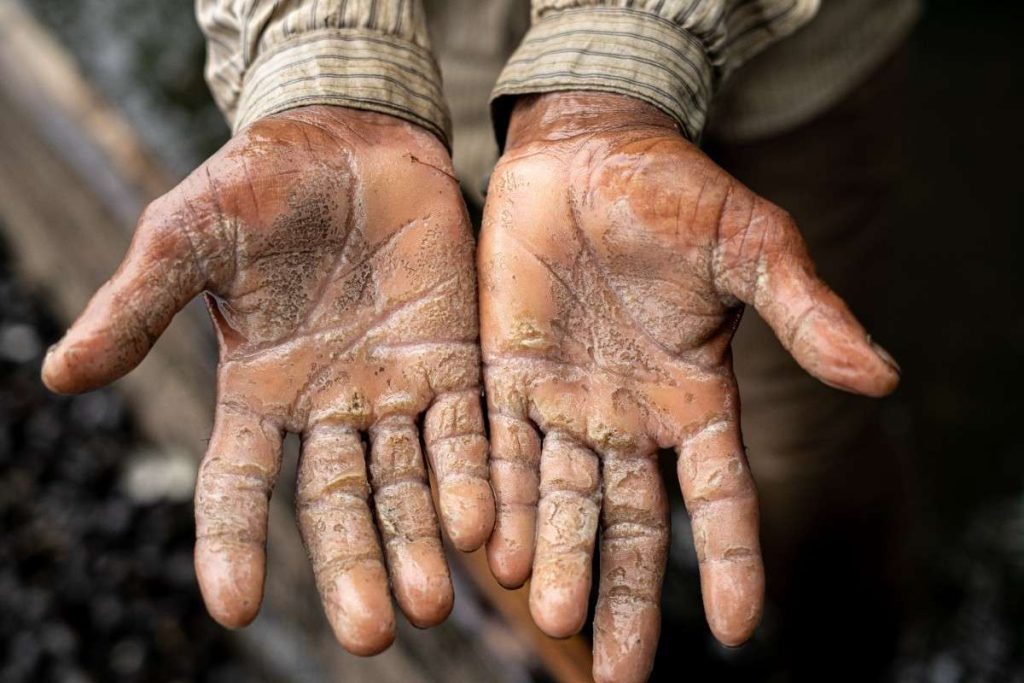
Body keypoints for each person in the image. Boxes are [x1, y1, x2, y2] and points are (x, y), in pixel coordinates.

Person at [41, 1, 917, 681]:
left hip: (794, 53)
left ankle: (843, 649)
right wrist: (330, 67)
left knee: (804, 457)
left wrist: (612, 71)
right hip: (448, 64)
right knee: (505, 427)